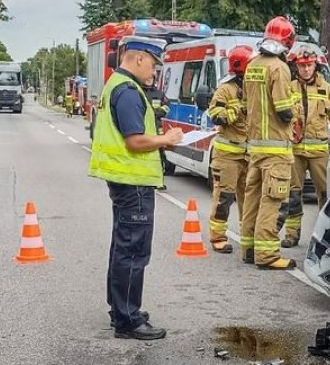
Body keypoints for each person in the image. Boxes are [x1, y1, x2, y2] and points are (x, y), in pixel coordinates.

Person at [87, 36, 184, 341]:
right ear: (140, 58)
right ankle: (128, 320)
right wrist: (166, 140)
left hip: (125, 181)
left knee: (122, 247)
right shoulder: (128, 91)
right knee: (132, 251)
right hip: (133, 184)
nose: (155, 72)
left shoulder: (116, 85)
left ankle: (120, 311)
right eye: (154, 65)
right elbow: (135, 140)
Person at [241, 16, 298, 270]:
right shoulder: (278, 67)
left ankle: (249, 249)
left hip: (255, 148)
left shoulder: (252, 65)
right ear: (288, 41)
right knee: (272, 201)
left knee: (252, 198)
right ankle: (267, 255)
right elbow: (284, 110)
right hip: (276, 148)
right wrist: (295, 110)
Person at [277, 45, 330, 248]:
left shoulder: (326, 88)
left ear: (315, 65)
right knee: (293, 193)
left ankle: (325, 233)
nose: (306, 69)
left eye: (309, 65)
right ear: (296, 66)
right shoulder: (289, 87)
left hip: (319, 151)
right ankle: (291, 234)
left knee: (324, 193)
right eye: (302, 65)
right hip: (295, 151)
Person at [206, 44, 254, 254]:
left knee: (250, 199)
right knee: (224, 197)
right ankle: (218, 236)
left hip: (250, 155)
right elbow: (215, 114)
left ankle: (249, 237)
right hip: (228, 155)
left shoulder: (254, 87)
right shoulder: (225, 89)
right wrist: (235, 111)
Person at [143, 81, 171, 189]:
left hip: (157, 127)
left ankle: (159, 181)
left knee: (159, 155)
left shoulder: (159, 94)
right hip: (143, 128)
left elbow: (168, 105)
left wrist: (160, 111)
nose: (149, 80)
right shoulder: (138, 91)